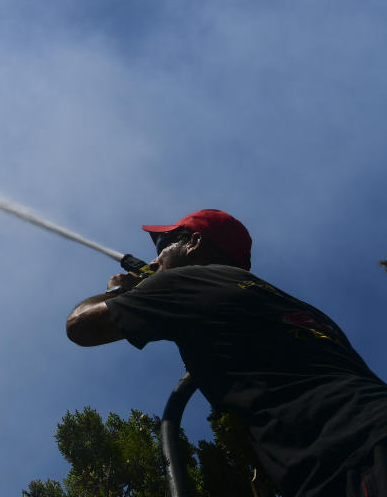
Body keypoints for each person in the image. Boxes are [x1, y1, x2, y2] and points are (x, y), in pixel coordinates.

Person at [65, 209, 387, 497]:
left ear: (193, 243)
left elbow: (80, 326)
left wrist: (121, 288)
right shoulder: (299, 310)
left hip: (351, 461)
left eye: (163, 248)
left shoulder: (186, 281)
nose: (153, 262)